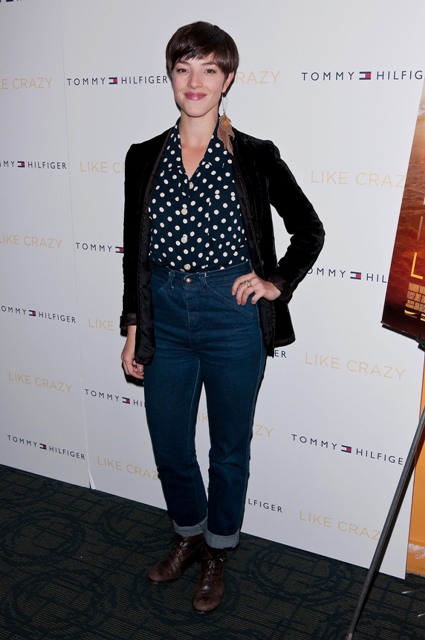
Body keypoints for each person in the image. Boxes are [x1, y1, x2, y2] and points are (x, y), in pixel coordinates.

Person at [120, 21, 325, 614]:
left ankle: (218, 550)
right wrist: (133, 327)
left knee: (229, 447)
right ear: (170, 76)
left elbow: (309, 230)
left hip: (231, 315)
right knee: (169, 444)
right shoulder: (143, 157)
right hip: (164, 314)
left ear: (227, 78)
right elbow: (134, 255)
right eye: (184, 68)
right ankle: (188, 532)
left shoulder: (256, 156)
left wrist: (275, 283)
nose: (195, 81)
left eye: (209, 69)